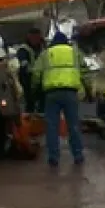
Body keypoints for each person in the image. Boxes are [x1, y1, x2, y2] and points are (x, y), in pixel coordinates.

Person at [31, 30, 85, 167]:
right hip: (70, 93)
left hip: (52, 94)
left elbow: (36, 73)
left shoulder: (46, 54)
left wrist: (34, 89)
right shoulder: (74, 52)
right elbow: (85, 70)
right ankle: (78, 155)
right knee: (73, 125)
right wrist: (88, 88)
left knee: (52, 126)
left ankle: (54, 157)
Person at [15, 28, 46, 113]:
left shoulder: (44, 48)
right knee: (30, 101)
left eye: (37, 37)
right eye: (33, 37)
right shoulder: (24, 49)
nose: (35, 40)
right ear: (29, 37)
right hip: (28, 78)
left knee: (43, 101)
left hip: (42, 78)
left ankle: (40, 117)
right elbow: (23, 64)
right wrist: (33, 71)